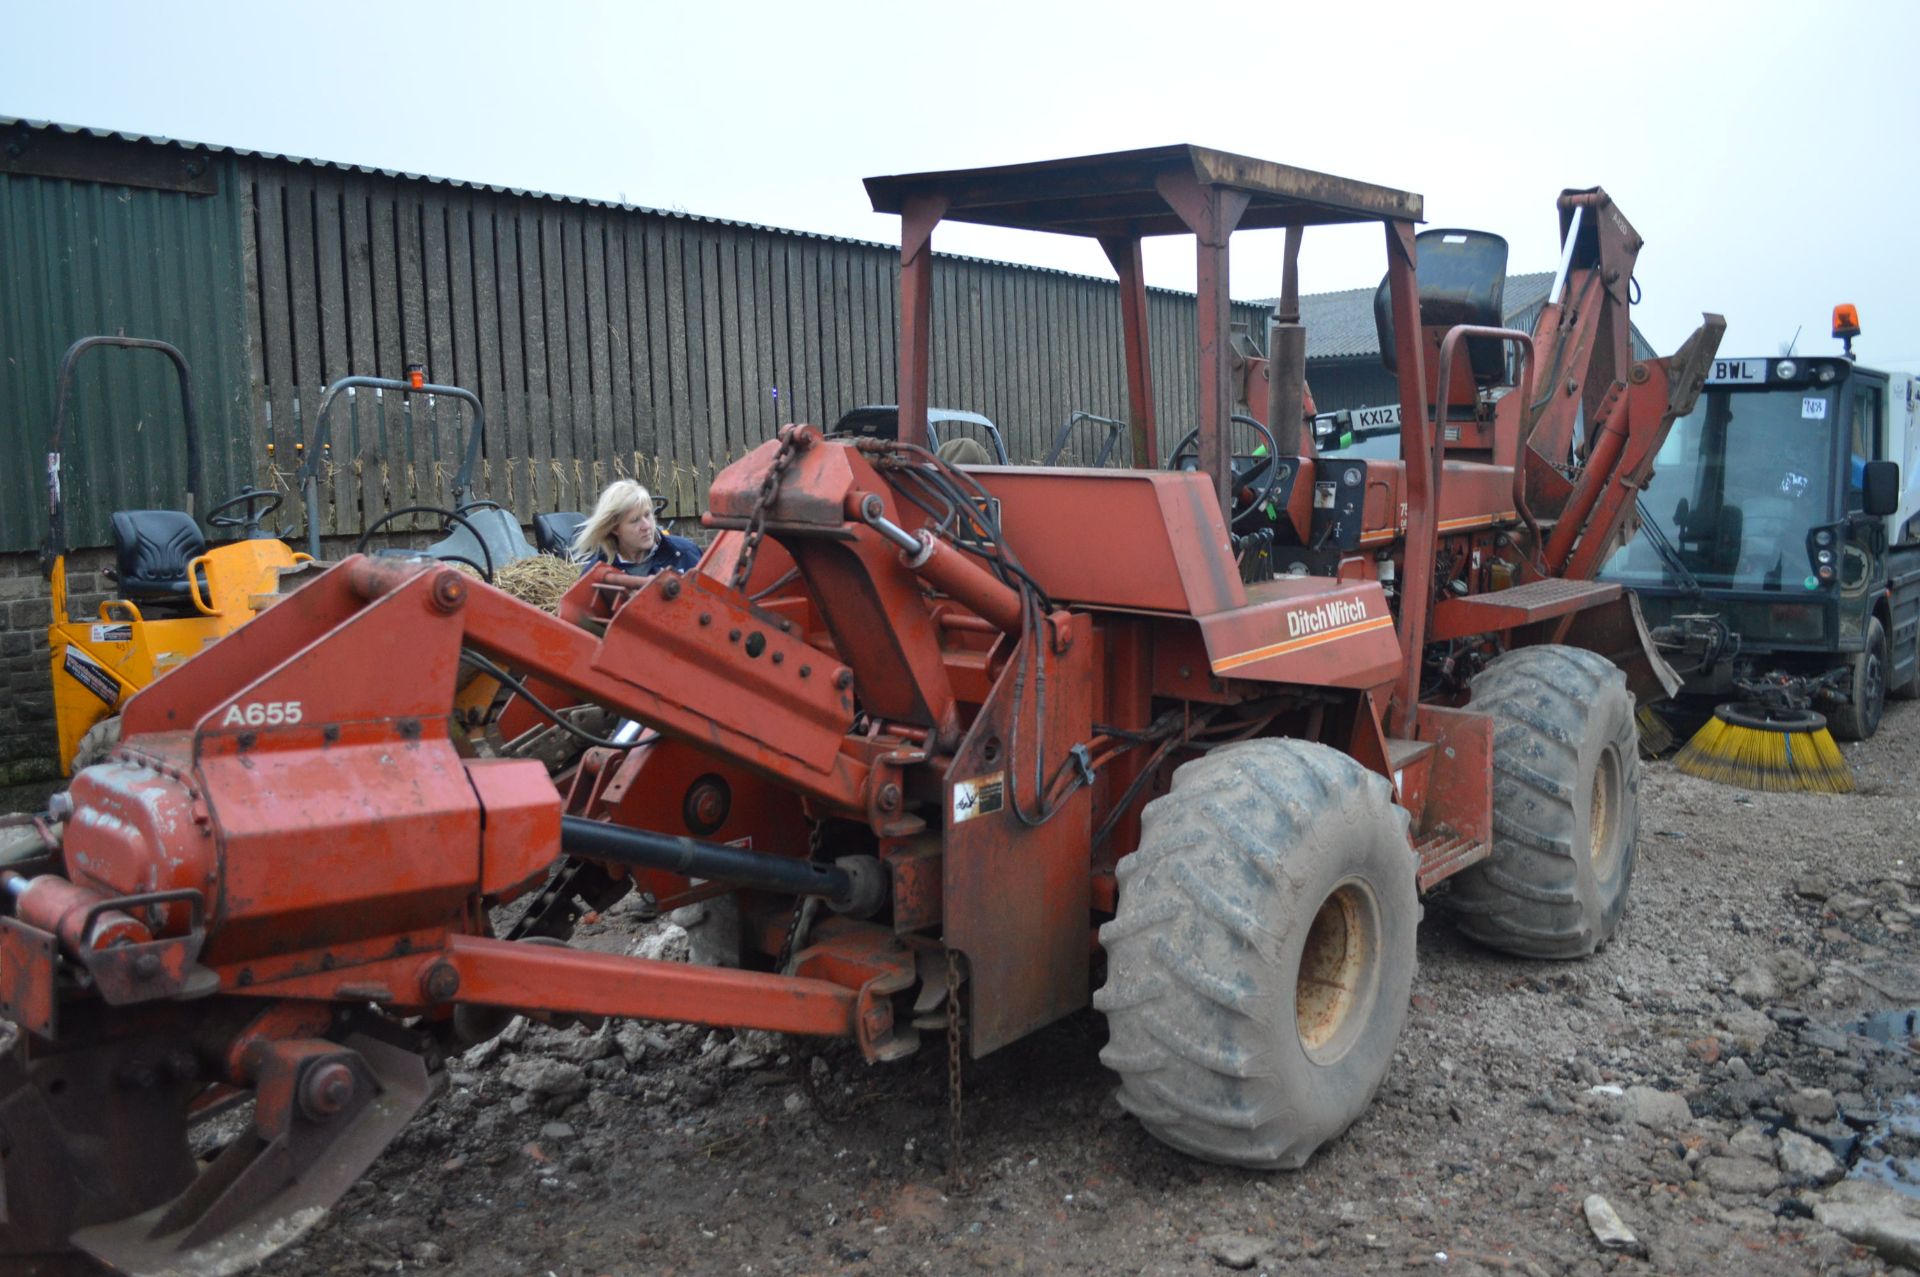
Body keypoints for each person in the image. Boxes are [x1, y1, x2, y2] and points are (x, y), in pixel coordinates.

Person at [572, 479, 702, 575]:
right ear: (614, 529)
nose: (646, 526)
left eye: (647, 514)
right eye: (635, 520)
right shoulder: (596, 574)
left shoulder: (685, 553)